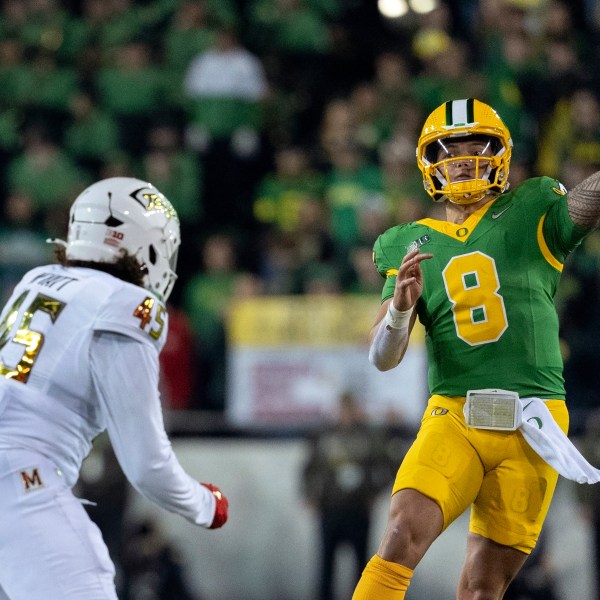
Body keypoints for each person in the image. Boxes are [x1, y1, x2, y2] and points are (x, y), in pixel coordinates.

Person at [352, 98, 600, 600]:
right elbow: (382, 357)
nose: (463, 157)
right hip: (456, 414)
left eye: (476, 145)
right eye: (450, 147)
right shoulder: (408, 242)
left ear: (500, 154)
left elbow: (585, 203)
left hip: (533, 421)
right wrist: (401, 308)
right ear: (429, 161)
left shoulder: (531, 208)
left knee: (485, 585)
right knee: (400, 536)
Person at [0, 177, 229, 600]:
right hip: (20, 478)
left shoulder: (38, 279)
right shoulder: (127, 305)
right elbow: (146, 463)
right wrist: (205, 503)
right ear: (149, 247)